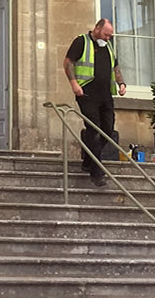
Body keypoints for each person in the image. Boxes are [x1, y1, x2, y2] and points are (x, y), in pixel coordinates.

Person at [63, 18, 127, 187]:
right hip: (87, 93)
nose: (108, 38)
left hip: (106, 94)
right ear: (97, 29)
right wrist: (74, 84)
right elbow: (68, 63)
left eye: (110, 36)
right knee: (94, 129)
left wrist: (121, 83)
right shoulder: (81, 41)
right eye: (106, 34)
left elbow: (115, 67)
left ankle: (88, 160)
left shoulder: (108, 46)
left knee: (108, 129)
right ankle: (96, 172)